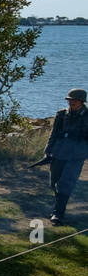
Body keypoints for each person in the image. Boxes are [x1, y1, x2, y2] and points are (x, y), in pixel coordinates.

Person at [44, 88, 88, 225]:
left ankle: (58, 213)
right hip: (59, 153)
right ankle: (59, 206)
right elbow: (53, 134)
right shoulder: (61, 114)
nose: (71, 102)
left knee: (66, 184)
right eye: (69, 100)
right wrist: (47, 151)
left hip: (77, 156)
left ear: (81, 101)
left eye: (74, 100)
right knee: (54, 183)